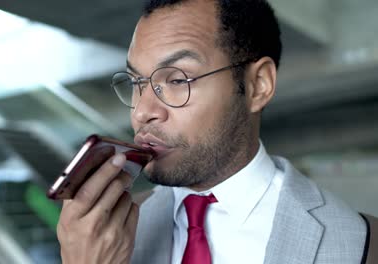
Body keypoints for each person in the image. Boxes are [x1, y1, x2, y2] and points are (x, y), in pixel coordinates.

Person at [56, 0, 376, 263]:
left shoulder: (361, 242)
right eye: (137, 83)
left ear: (258, 85)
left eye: (178, 80)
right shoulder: (103, 235)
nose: (142, 111)